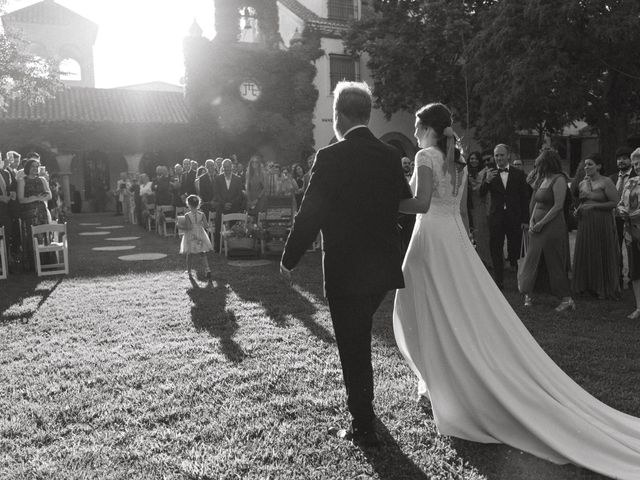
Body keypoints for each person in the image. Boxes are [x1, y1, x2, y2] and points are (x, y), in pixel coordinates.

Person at [393, 102, 640, 480]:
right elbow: (455, 211)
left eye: (415, 125)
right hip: (453, 239)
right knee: (450, 308)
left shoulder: (426, 155)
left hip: (430, 238)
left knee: (422, 303)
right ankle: (439, 377)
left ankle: (442, 379)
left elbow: (422, 204)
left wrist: (385, 202)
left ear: (427, 127)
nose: (413, 132)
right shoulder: (456, 161)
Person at [280, 81, 411, 447]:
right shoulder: (388, 155)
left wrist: (289, 258)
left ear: (338, 116)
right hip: (382, 269)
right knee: (360, 335)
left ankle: (364, 424)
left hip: (345, 270)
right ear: (367, 115)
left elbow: (310, 213)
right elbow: (404, 203)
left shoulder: (331, 156)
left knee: (353, 346)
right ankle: (365, 413)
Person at [517, 149, 573, 311]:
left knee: (553, 260)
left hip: (552, 226)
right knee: (532, 259)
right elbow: (537, 202)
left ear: (547, 164)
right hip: (537, 226)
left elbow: (557, 206)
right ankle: (529, 292)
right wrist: (532, 220)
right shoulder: (543, 179)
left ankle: (566, 298)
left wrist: (541, 223)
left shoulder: (559, 180)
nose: (537, 167)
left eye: (539, 164)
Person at [479, 143, 531, 289]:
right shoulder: (490, 173)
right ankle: (498, 281)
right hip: (496, 217)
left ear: (508, 155)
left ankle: (520, 279)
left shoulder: (518, 174)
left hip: (514, 217)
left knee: (516, 249)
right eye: (496, 155)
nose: (499, 158)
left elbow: (524, 198)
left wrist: (525, 220)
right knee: (496, 249)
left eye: (501, 155)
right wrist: (487, 181)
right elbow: (481, 193)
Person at [572, 153, 620, 299]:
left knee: (600, 251)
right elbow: (582, 202)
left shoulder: (606, 182)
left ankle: (601, 287)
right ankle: (586, 286)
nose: (586, 167)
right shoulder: (581, 183)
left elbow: (614, 202)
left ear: (599, 166)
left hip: (601, 222)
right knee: (587, 251)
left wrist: (594, 207)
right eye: (585, 164)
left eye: (590, 164)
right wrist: (578, 210)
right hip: (585, 223)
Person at [617, 147, 640, 319]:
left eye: (639, 162)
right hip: (631, 233)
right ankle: (639, 307)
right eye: (635, 162)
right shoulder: (631, 182)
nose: (637, 165)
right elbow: (620, 202)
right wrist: (621, 209)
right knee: (635, 270)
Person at [17, 158, 52, 270]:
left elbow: (49, 195)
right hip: (29, 213)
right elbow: (21, 199)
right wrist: (35, 198)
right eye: (32, 166)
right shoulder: (22, 180)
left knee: (44, 235)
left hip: (42, 212)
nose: (35, 169)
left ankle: (46, 264)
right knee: (31, 237)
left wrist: (41, 198)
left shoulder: (42, 180)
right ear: (28, 168)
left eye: (37, 166)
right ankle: (32, 266)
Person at [609, 146, 635, 287]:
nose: (621, 161)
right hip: (614, 219)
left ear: (631, 160)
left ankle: (633, 278)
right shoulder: (612, 178)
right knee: (615, 248)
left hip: (631, 220)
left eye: (624, 158)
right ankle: (617, 278)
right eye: (619, 159)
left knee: (632, 250)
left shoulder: (636, 176)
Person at [466, 150, 492, 268]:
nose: (474, 160)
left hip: (480, 205)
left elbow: (483, 191)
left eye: (476, 158)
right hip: (469, 206)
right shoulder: (466, 172)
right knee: (473, 235)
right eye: (471, 158)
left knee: (483, 234)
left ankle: (486, 261)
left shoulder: (485, 172)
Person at [213, 158, 244, 252]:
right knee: (218, 227)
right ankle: (217, 248)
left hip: (233, 207)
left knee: (233, 228)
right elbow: (216, 193)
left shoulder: (238, 179)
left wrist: (231, 203)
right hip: (221, 207)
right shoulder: (218, 178)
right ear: (222, 167)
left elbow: (239, 194)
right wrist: (224, 204)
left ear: (231, 167)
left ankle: (233, 248)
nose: (227, 169)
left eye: (228, 167)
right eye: (225, 167)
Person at [180, 194, 213, 280]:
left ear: (188, 204)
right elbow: (206, 225)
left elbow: (188, 227)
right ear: (198, 204)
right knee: (202, 252)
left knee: (189, 253)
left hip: (191, 235)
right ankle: (207, 269)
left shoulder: (187, 215)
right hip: (200, 234)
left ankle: (189, 271)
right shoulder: (202, 214)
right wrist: (204, 225)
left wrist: (179, 226)